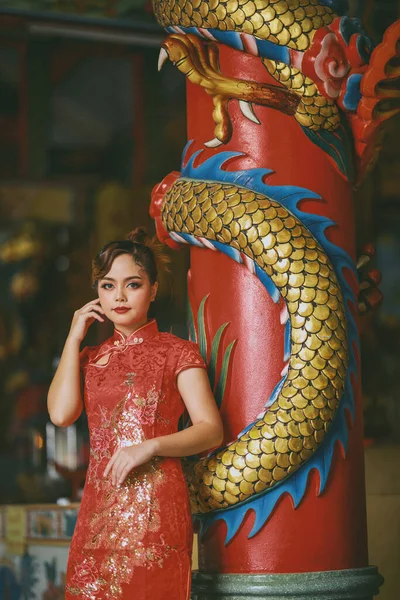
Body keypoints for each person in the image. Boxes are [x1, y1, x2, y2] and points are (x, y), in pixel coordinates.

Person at [47, 227, 223, 600]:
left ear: (153, 289)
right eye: (108, 286)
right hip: (97, 509)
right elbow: (62, 414)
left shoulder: (178, 352)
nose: (120, 296)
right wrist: (73, 336)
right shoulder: (90, 359)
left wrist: (149, 447)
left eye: (133, 284)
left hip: (154, 511)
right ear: (96, 292)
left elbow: (211, 430)